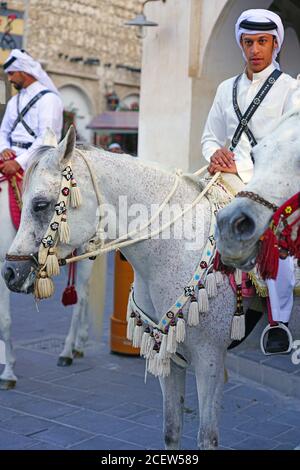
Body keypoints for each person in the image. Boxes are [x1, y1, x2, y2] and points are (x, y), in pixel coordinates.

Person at [201, 9, 298, 354]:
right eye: (248, 42)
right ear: (241, 44)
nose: (255, 49)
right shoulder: (226, 88)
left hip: (271, 181)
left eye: (262, 42)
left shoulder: (291, 88)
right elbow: (210, 137)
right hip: (228, 176)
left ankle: (278, 321)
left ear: (275, 44)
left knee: (278, 242)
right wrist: (214, 154)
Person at [0, 49, 63, 176]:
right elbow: (3, 132)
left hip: (36, 166)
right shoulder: (13, 100)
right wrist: (4, 148)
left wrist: (18, 162)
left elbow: (47, 139)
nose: (9, 79)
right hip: (8, 162)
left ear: (24, 71)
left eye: (12, 73)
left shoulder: (49, 99)